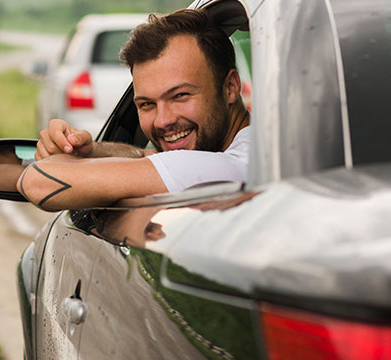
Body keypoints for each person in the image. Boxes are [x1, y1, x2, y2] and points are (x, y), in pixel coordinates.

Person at [19, 9, 250, 211]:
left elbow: (37, 182)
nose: (162, 121)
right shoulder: (256, 149)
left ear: (230, 87)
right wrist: (88, 151)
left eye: (180, 95)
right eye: (147, 104)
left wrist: (64, 161)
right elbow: (146, 156)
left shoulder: (231, 167)